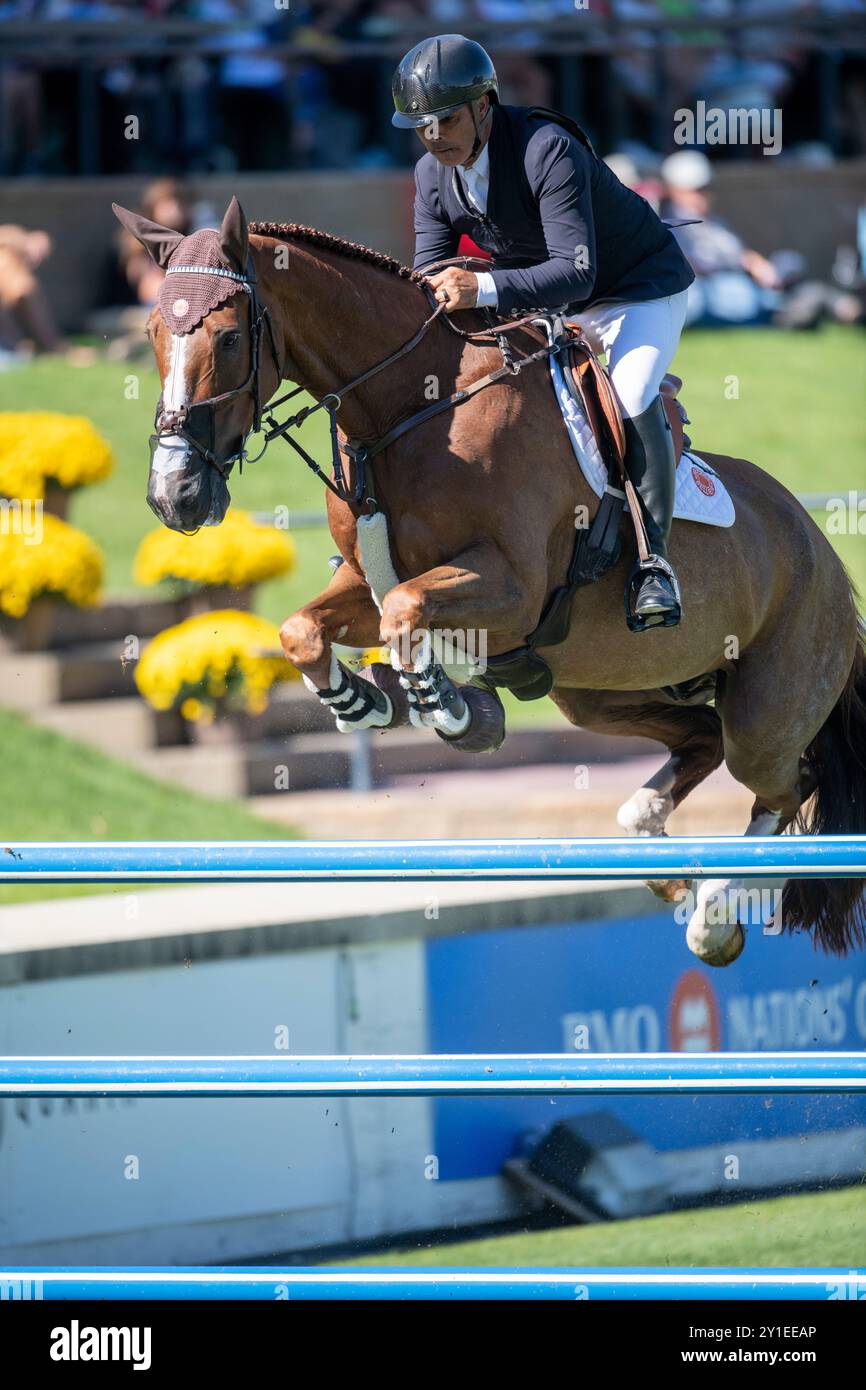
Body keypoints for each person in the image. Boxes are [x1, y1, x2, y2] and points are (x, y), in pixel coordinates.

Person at [392, 34, 695, 628]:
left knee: (630, 394)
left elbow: (576, 274)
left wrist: (480, 288)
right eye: (421, 126)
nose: (433, 137)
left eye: (445, 120)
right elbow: (429, 269)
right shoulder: (433, 174)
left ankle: (653, 562)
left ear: (484, 105)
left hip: (634, 290)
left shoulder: (544, 148)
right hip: (546, 296)